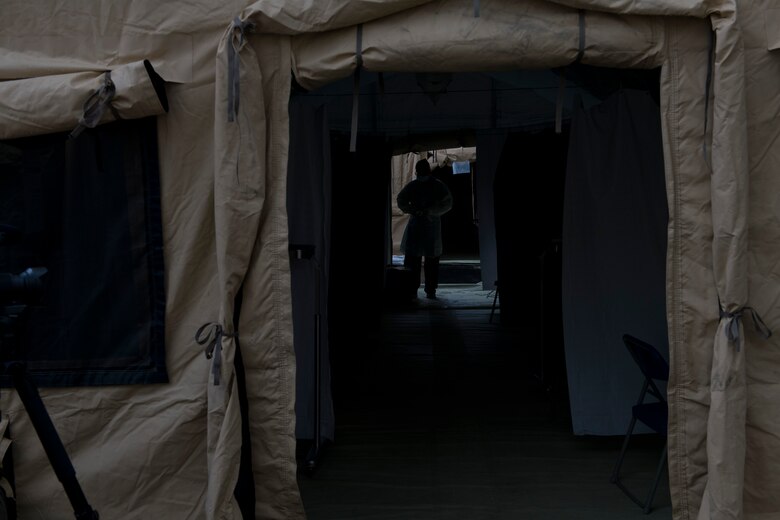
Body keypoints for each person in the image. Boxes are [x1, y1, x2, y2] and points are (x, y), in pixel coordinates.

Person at [397, 158, 453, 299]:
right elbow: (401, 200)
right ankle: (419, 289)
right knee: (418, 261)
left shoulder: (434, 186)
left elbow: (447, 203)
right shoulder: (419, 186)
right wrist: (414, 210)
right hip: (421, 225)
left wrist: (428, 211)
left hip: (428, 226)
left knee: (426, 260)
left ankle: (426, 289)